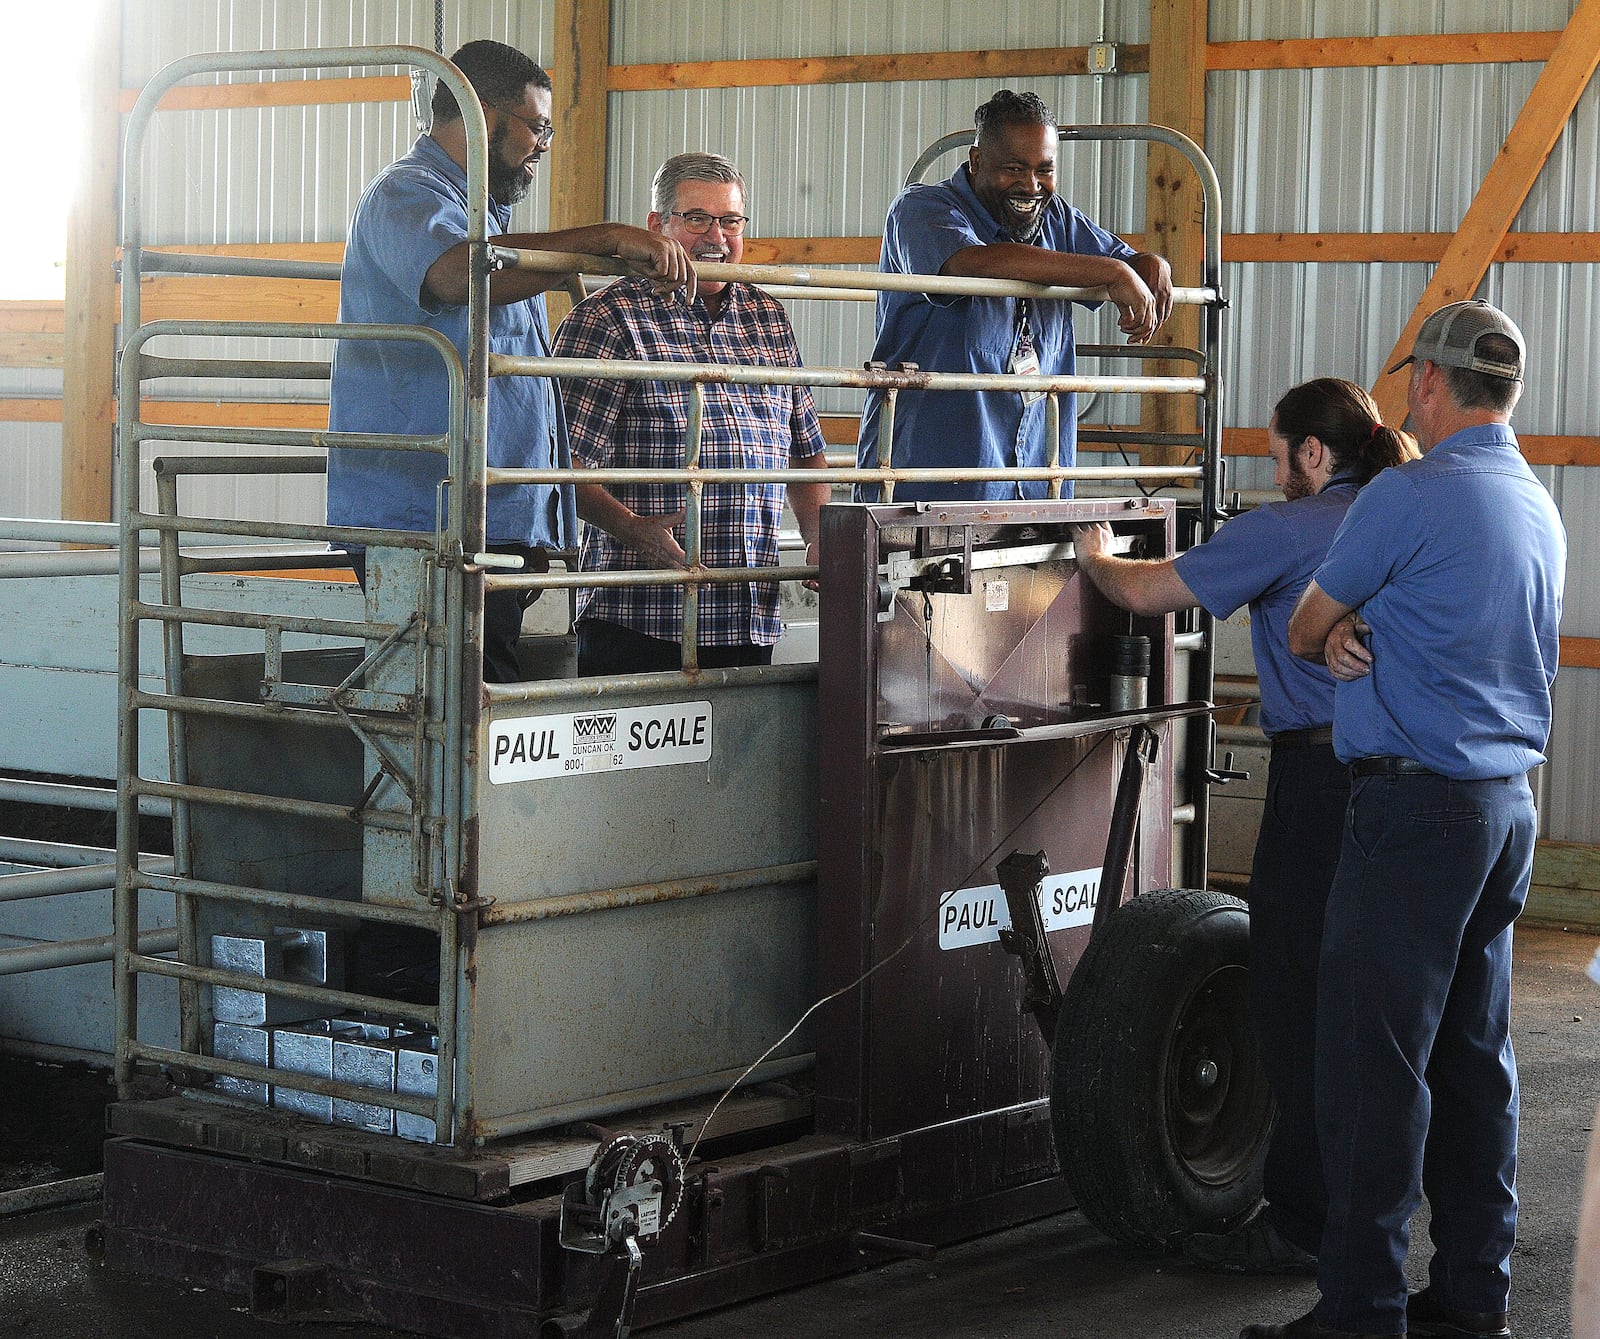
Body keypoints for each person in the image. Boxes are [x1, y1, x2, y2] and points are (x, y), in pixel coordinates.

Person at [1248, 301, 1566, 1339]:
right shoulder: (1535, 502)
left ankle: (1361, 1308)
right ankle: (1474, 1293)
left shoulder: (1407, 496)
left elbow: (1303, 627)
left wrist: (1344, 633)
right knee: (1475, 1061)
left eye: (1412, 382)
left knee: (1369, 1066)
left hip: (1413, 810)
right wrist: (1367, 632)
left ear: (1430, 383)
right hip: (1502, 809)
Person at [1072, 379, 1417, 1278]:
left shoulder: (1283, 530)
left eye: (1276, 454)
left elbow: (1149, 592)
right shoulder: (1399, 510)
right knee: (1382, 1003)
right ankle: (1378, 1211)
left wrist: (1097, 555)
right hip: (1399, 779)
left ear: (1312, 453)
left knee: (1293, 997)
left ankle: (1302, 1222)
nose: (1272, 470)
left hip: (1315, 776)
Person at [326, 39, 694, 683]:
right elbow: (451, 276)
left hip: (489, 517)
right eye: (537, 125)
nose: (543, 144)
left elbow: (517, 411)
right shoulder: (406, 197)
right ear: (481, 112)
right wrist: (600, 240)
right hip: (430, 520)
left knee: (467, 696)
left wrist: (620, 524)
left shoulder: (488, 224)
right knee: (449, 705)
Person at [551, 152, 830, 675]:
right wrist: (632, 527)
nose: (716, 238)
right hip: (640, 614)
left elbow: (806, 450)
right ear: (656, 226)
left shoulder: (767, 316)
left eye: (730, 220)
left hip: (748, 611)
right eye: (697, 219)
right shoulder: (607, 319)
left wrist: (818, 535)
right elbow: (561, 467)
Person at [855, 88, 1173, 504]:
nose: (1031, 185)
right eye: (1013, 168)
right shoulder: (921, 209)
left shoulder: (1056, 217)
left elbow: (1130, 261)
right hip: (927, 481)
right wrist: (1112, 271)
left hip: (1036, 483)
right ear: (975, 160)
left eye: (1045, 169)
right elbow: (969, 262)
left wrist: (1153, 265)